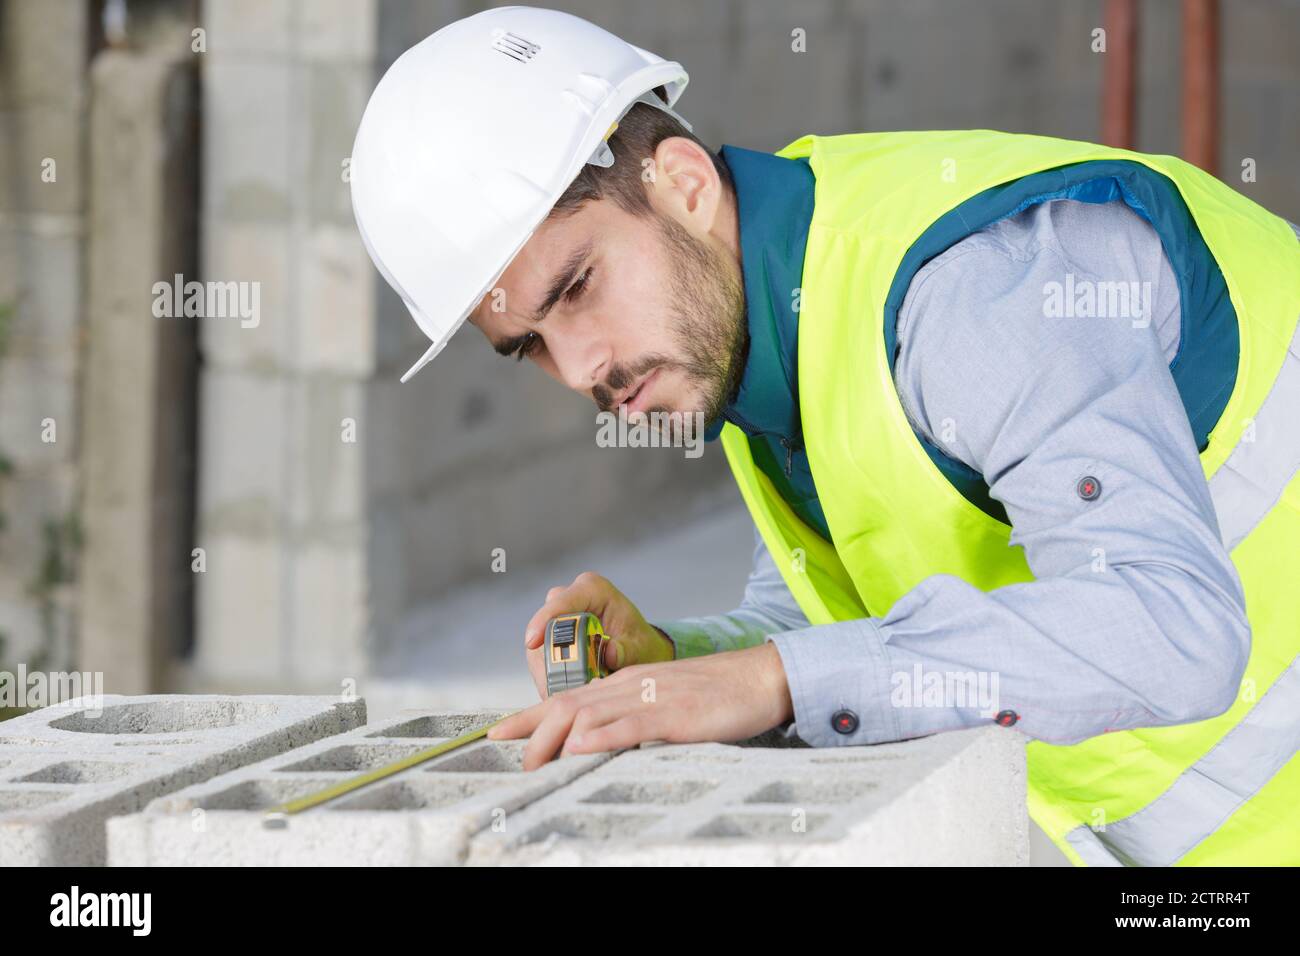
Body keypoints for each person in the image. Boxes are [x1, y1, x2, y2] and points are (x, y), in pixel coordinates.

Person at [350, 6, 1300, 866]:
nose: (583, 369)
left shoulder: (966, 291)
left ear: (679, 183)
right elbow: (841, 633)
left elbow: (1175, 626)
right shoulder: (763, 345)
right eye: (532, 347)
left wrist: (772, 682)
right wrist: (676, 662)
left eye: (577, 287)